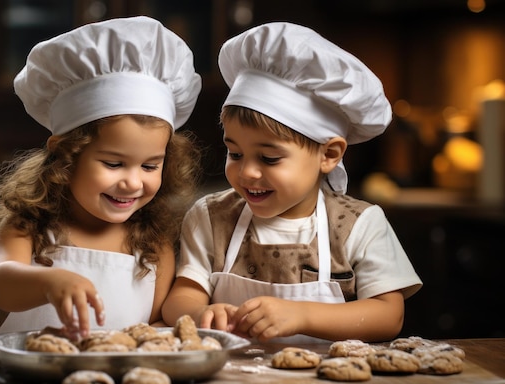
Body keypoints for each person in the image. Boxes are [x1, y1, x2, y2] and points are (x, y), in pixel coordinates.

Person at [161, 22, 423, 344]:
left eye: (269, 159)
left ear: (328, 154)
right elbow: (181, 297)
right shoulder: (211, 217)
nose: (247, 173)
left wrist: (301, 315)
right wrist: (201, 315)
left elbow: (389, 315)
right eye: (235, 153)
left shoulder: (360, 225)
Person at [0, 16, 202, 347]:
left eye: (149, 166)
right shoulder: (31, 224)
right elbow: (0, 283)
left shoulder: (153, 246)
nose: (132, 182)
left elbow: (154, 322)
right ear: (65, 155)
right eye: (113, 163)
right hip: (10, 381)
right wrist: (48, 282)